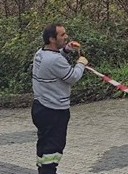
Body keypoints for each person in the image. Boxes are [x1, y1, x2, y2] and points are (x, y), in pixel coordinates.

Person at [31, 23, 88, 174]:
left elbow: (54, 59)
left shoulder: (40, 53)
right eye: (62, 35)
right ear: (52, 39)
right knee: (54, 148)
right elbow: (72, 76)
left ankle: (42, 169)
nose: (66, 37)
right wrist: (81, 64)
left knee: (44, 144)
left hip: (40, 107)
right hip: (54, 111)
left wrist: (66, 49)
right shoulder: (55, 60)